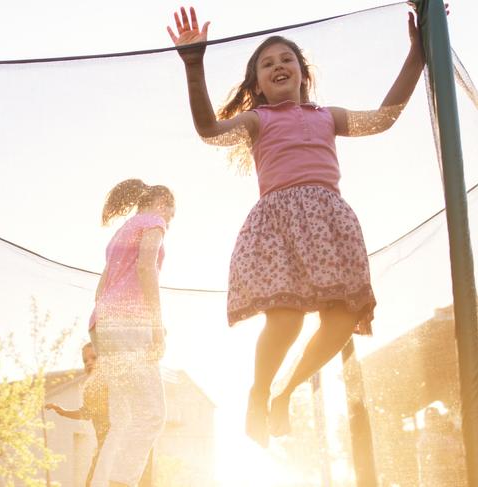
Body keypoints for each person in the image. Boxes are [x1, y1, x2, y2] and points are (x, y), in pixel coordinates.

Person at [167, 5, 439, 448]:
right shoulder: (259, 120)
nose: (278, 66)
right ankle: (258, 392)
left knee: (343, 316)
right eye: (267, 63)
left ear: (302, 73)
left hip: (329, 221)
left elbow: (385, 117)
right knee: (287, 319)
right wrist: (194, 66)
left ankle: (285, 391)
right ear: (256, 84)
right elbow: (209, 130)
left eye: (286, 60)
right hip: (277, 225)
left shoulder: (327, 116)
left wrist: (418, 54)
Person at [87, 179, 175, 486]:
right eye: (172, 215)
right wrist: (155, 325)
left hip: (104, 323)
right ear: (163, 202)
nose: (169, 222)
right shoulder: (154, 220)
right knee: (152, 413)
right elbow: (146, 267)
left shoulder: (122, 231)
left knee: (122, 420)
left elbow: (100, 290)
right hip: (129, 322)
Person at [46, 342, 111, 487]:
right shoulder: (90, 389)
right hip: (103, 447)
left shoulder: (112, 382)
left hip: (116, 444)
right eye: (85, 360)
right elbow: (86, 413)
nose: (89, 363)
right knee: (91, 483)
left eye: (94, 358)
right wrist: (63, 412)